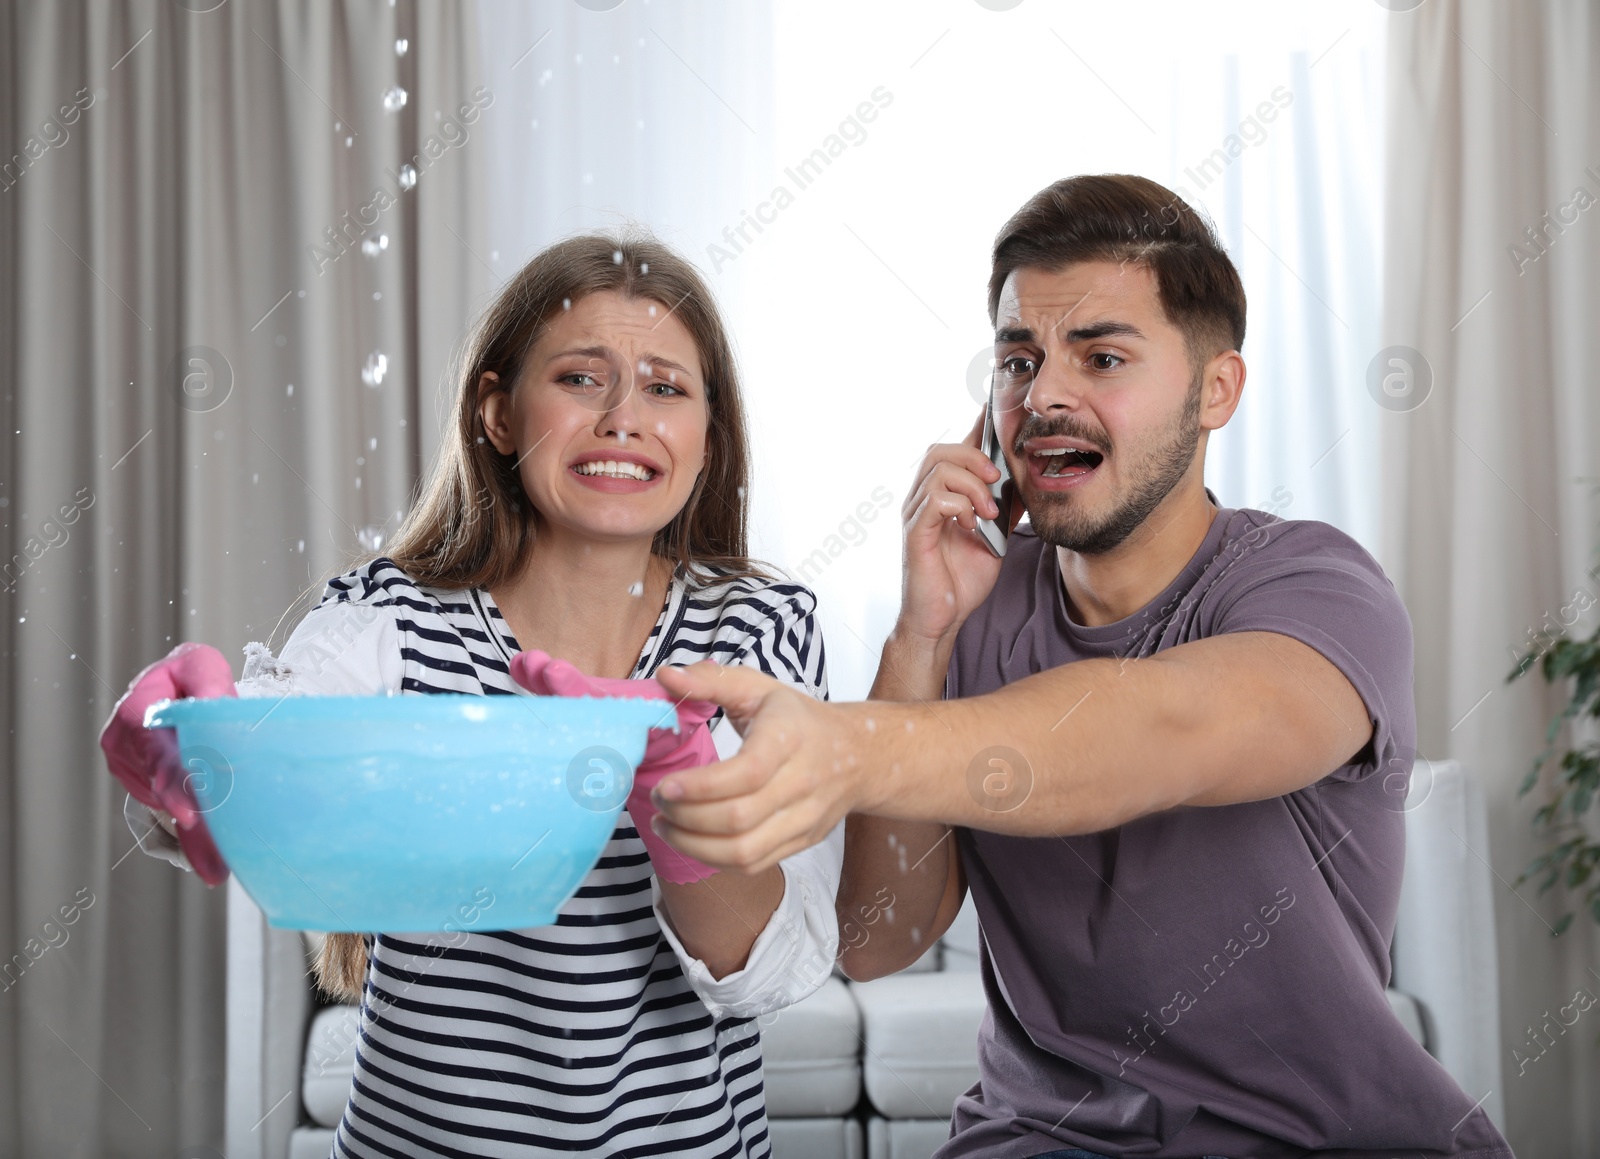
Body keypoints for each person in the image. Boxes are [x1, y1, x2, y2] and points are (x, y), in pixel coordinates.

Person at [647, 176, 1514, 1157]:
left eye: (1101, 356)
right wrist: (922, 635)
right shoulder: (978, 613)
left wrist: (847, 744)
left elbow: (1162, 728)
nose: (1045, 396)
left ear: (1214, 389)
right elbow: (877, 939)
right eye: (1018, 360)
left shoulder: (1316, 586)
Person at [103, 234, 839, 1158]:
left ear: (707, 440)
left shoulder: (756, 632)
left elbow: (757, 975)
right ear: (497, 414)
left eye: (665, 386)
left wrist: (680, 795)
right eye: (580, 378)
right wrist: (187, 751)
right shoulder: (392, 618)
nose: (623, 416)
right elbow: (269, 733)